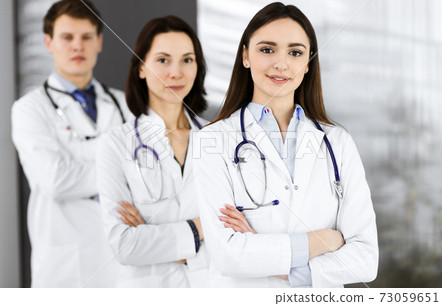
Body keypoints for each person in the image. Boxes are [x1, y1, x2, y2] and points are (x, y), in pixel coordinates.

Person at [193, 2, 378, 287]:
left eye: (295, 52)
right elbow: (228, 255)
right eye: (267, 50)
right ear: (245, 56)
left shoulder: (337, 142)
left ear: (307, 63)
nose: (281, 63)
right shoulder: (212, 140)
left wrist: (274, 260)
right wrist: (323, 241)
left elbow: (366, 260)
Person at [11, 0, 131, 287]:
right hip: (65, 267)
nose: (78, 46)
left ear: (99, 42)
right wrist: (120, 171)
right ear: (48, 42)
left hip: (122, 262)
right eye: (67, 37)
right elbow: (55, 180)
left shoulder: (126, 105)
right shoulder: (29, 109)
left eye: (86, 37)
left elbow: (148, 175)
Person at [96, 16, 209, 287]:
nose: (176, 72)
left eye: (187, 60)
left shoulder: (219, 138)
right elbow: (124, 246)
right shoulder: (115, 144)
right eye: (163, 60)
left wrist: (152, 237)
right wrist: (202, 230)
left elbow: (241, 238)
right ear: (141, 68)